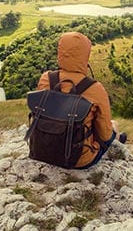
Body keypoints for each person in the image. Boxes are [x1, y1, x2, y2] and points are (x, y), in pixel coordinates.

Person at [36, 31, 126, 169]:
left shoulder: (45, 78)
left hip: (43, 151)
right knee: (114, 125)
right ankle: (120, 141)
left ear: (60, 52)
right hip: (79, 159)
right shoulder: (95, 88)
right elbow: (105, 135)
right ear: (85, 56)